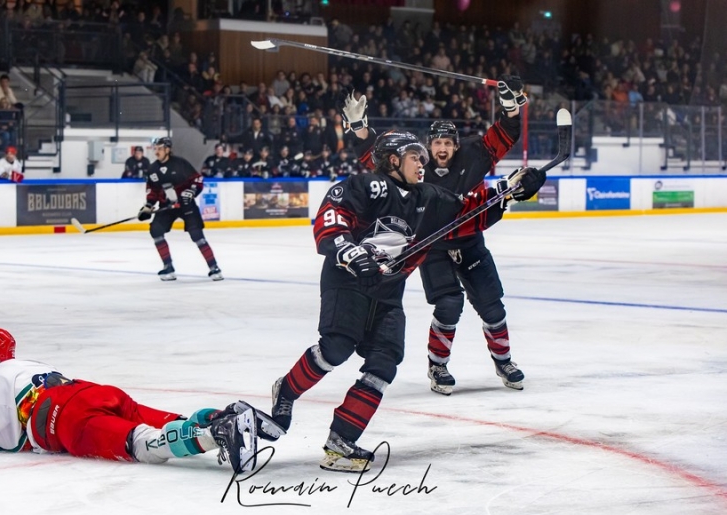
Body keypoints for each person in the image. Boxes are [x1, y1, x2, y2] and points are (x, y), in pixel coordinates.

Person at [269, 129, 546, 472]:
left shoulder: (429, 197)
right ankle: (287, 390)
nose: (423, 162)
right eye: (416, 156)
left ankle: (341, 441)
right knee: (336, 347)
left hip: (388, 292)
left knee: (384, 363)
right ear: (393, 159)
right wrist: (347, 249)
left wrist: (513, 190)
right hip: (347, 281)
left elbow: (470, 214)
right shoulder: (368, 185)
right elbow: (332, 215)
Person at [343, 76, 529, 394]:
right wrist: (360, 127)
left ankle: (504, 360)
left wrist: (510, 107)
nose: (442, 149)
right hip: (433, 247)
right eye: (437, 143)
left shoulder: (473, 157)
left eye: (447, 143)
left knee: (492, 307)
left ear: (456, 146)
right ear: (429, 146)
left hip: (470, 243)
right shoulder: (414, 166)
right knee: (448, 305)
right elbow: (375, 157)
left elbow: (505, 135)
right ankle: (438, 366)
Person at [0, 328, 278, 474]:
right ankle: (226, 416)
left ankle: (215, 434)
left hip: (68, 420)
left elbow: (5, 442)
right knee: (168, 421)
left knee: (143, 444)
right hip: (93, 391)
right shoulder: (30, 365)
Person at [138, 137, 223, 282]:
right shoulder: (152, 169)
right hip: (167, 207)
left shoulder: (180, 164)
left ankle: (214, 268)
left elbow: (197, 180)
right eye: (155, 149)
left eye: (159, 148)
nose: (156, 151)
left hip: (186, 205)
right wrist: (148, 205)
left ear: (167, 149)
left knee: (197, 235)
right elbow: (152, 190)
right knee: (156, 230)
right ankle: (168, 267)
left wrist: (191, 192)